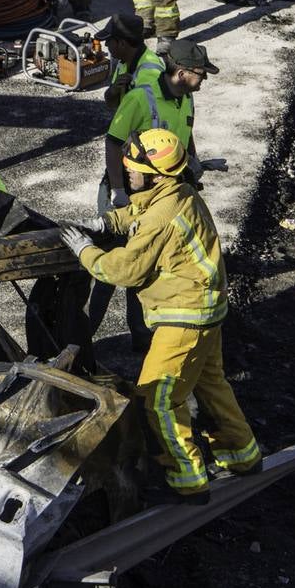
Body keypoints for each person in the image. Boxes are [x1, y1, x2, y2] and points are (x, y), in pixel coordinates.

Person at [61, 128, 260, 505]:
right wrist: (109, 223)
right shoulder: (179, 192)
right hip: (205, 309)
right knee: (211, 383)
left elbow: (123, 270)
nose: (127, 175)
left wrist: (86, 251)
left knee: (158, 397)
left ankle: (187, 479)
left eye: (133, 170)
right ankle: (243, 454)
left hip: (184, 316)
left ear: (155, 174)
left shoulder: (163, 216)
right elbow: (142, 210)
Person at [93, 38, 218, 352]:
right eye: (201, 73)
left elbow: (184, 137)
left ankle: (141, 335)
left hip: (157, 193)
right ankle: (83, 333)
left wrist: (194, 162)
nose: (204, 79)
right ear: (181, 73)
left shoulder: (186, 99)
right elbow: (112, 143)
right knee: (113, 267)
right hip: (127, 192)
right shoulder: (140, 99)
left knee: (146, 265)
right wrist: (120, 192)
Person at [94, 12, 165, 112]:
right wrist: (113, 91)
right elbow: (112, 104)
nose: (106, 45)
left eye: (109, 40)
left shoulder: (150, 76)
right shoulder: (123, 61)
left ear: (122, 44)